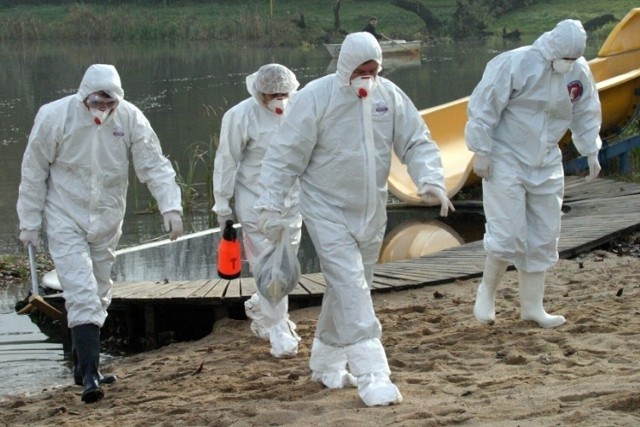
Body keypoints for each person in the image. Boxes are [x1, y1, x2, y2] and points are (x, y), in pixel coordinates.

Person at [255, 31, 454, 407]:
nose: (367, 75)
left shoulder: (389, 96)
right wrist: (269, 205)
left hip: (371, 210)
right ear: (345, 66)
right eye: (361, 69)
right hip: (326, 209)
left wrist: (430, 179)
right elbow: (284, 155)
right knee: (352, 286)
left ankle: (327, 362)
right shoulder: (316, 97)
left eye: (374, 69)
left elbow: (416, 139)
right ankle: (373, 373)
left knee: (349, 285)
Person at [16, 64, 184, 403]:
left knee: (101, 292)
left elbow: (153, 163)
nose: (102, 109)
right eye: (97, 102)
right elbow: (33, 170)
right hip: (65, 214)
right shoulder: (54, 117)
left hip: (108, 216)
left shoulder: (130, 119)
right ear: (84, 96)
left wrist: (170, 206)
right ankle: (91, 376)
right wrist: (29, 221)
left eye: (110, 104)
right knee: (81, 292)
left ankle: (81, 366)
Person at [465, 19, 602, 329]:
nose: (568, 63)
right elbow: (485, 105)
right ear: (552, 46)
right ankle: (486, 292)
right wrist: (481, 150)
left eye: (573, 58)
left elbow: (586, 109)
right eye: (565, 57)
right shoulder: (516, 63)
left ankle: (532, 307)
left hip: (547, 159)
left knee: (543, 234)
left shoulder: (578, 71)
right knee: (508, 232)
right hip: (506, 156)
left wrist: (590, 148)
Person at [212, 64, 303, 358]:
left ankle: (260, 308)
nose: (279, 99)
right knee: (271, 265)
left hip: (291, 202)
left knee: (285, 265)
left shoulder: (299, 110)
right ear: (260, 92)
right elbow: (226, 161)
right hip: (255, 202)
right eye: (272, 94)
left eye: (284, 93)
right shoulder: (241, 116)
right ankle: (279, 330)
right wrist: (222, 204)